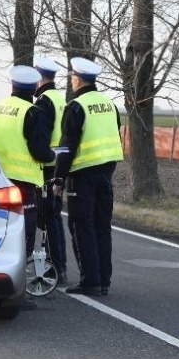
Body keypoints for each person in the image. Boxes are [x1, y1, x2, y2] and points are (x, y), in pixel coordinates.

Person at [51, 57, 123, 297]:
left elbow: (67, 146)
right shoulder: (109, 104)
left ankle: (90, 280)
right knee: (102, 225)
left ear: (77, 79)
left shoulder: (77, 106)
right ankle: (104, 279)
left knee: (82, 225)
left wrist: (58, 178)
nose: (71, 80)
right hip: (106, 172)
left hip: (82, 175)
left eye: (72, 76)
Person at [0, 65, 56, 308]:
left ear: (12, 85)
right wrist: (52, 156)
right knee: (23, 235)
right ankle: (18, 292)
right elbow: (39, 150)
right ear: (34, 87)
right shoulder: (33, 112)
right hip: (23, 184)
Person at [32, 54, 70, 283]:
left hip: (46, 167)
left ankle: (54, 267)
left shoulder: (44, 102)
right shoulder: (60, 98)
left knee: (47, 217)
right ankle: (60, 266)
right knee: (54, 217)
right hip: (58, 165)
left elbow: (41, 137)